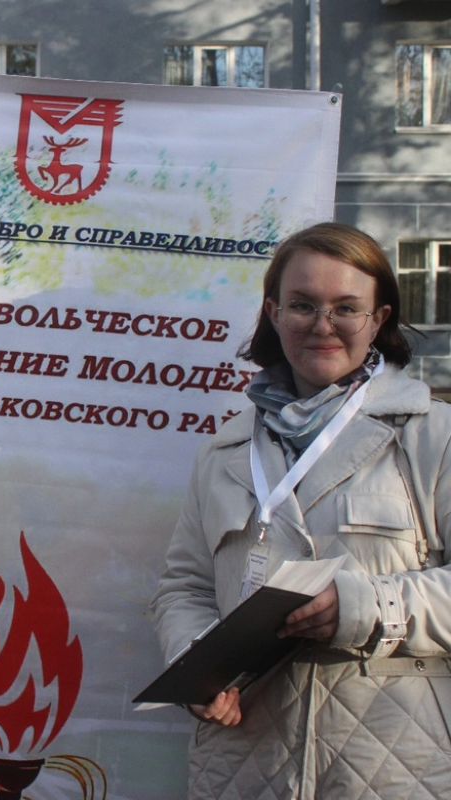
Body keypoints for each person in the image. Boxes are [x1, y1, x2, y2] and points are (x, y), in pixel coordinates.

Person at [153, 221, 451, 798]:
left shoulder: (433, 436)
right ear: (273, 312)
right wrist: (197, 666)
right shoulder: (225, 450)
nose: (322, 325)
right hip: (243, 765)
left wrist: (365, 604)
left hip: (393, 766)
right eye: (301, 305)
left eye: (346, 307)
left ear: (379, 319)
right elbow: (183, 587)